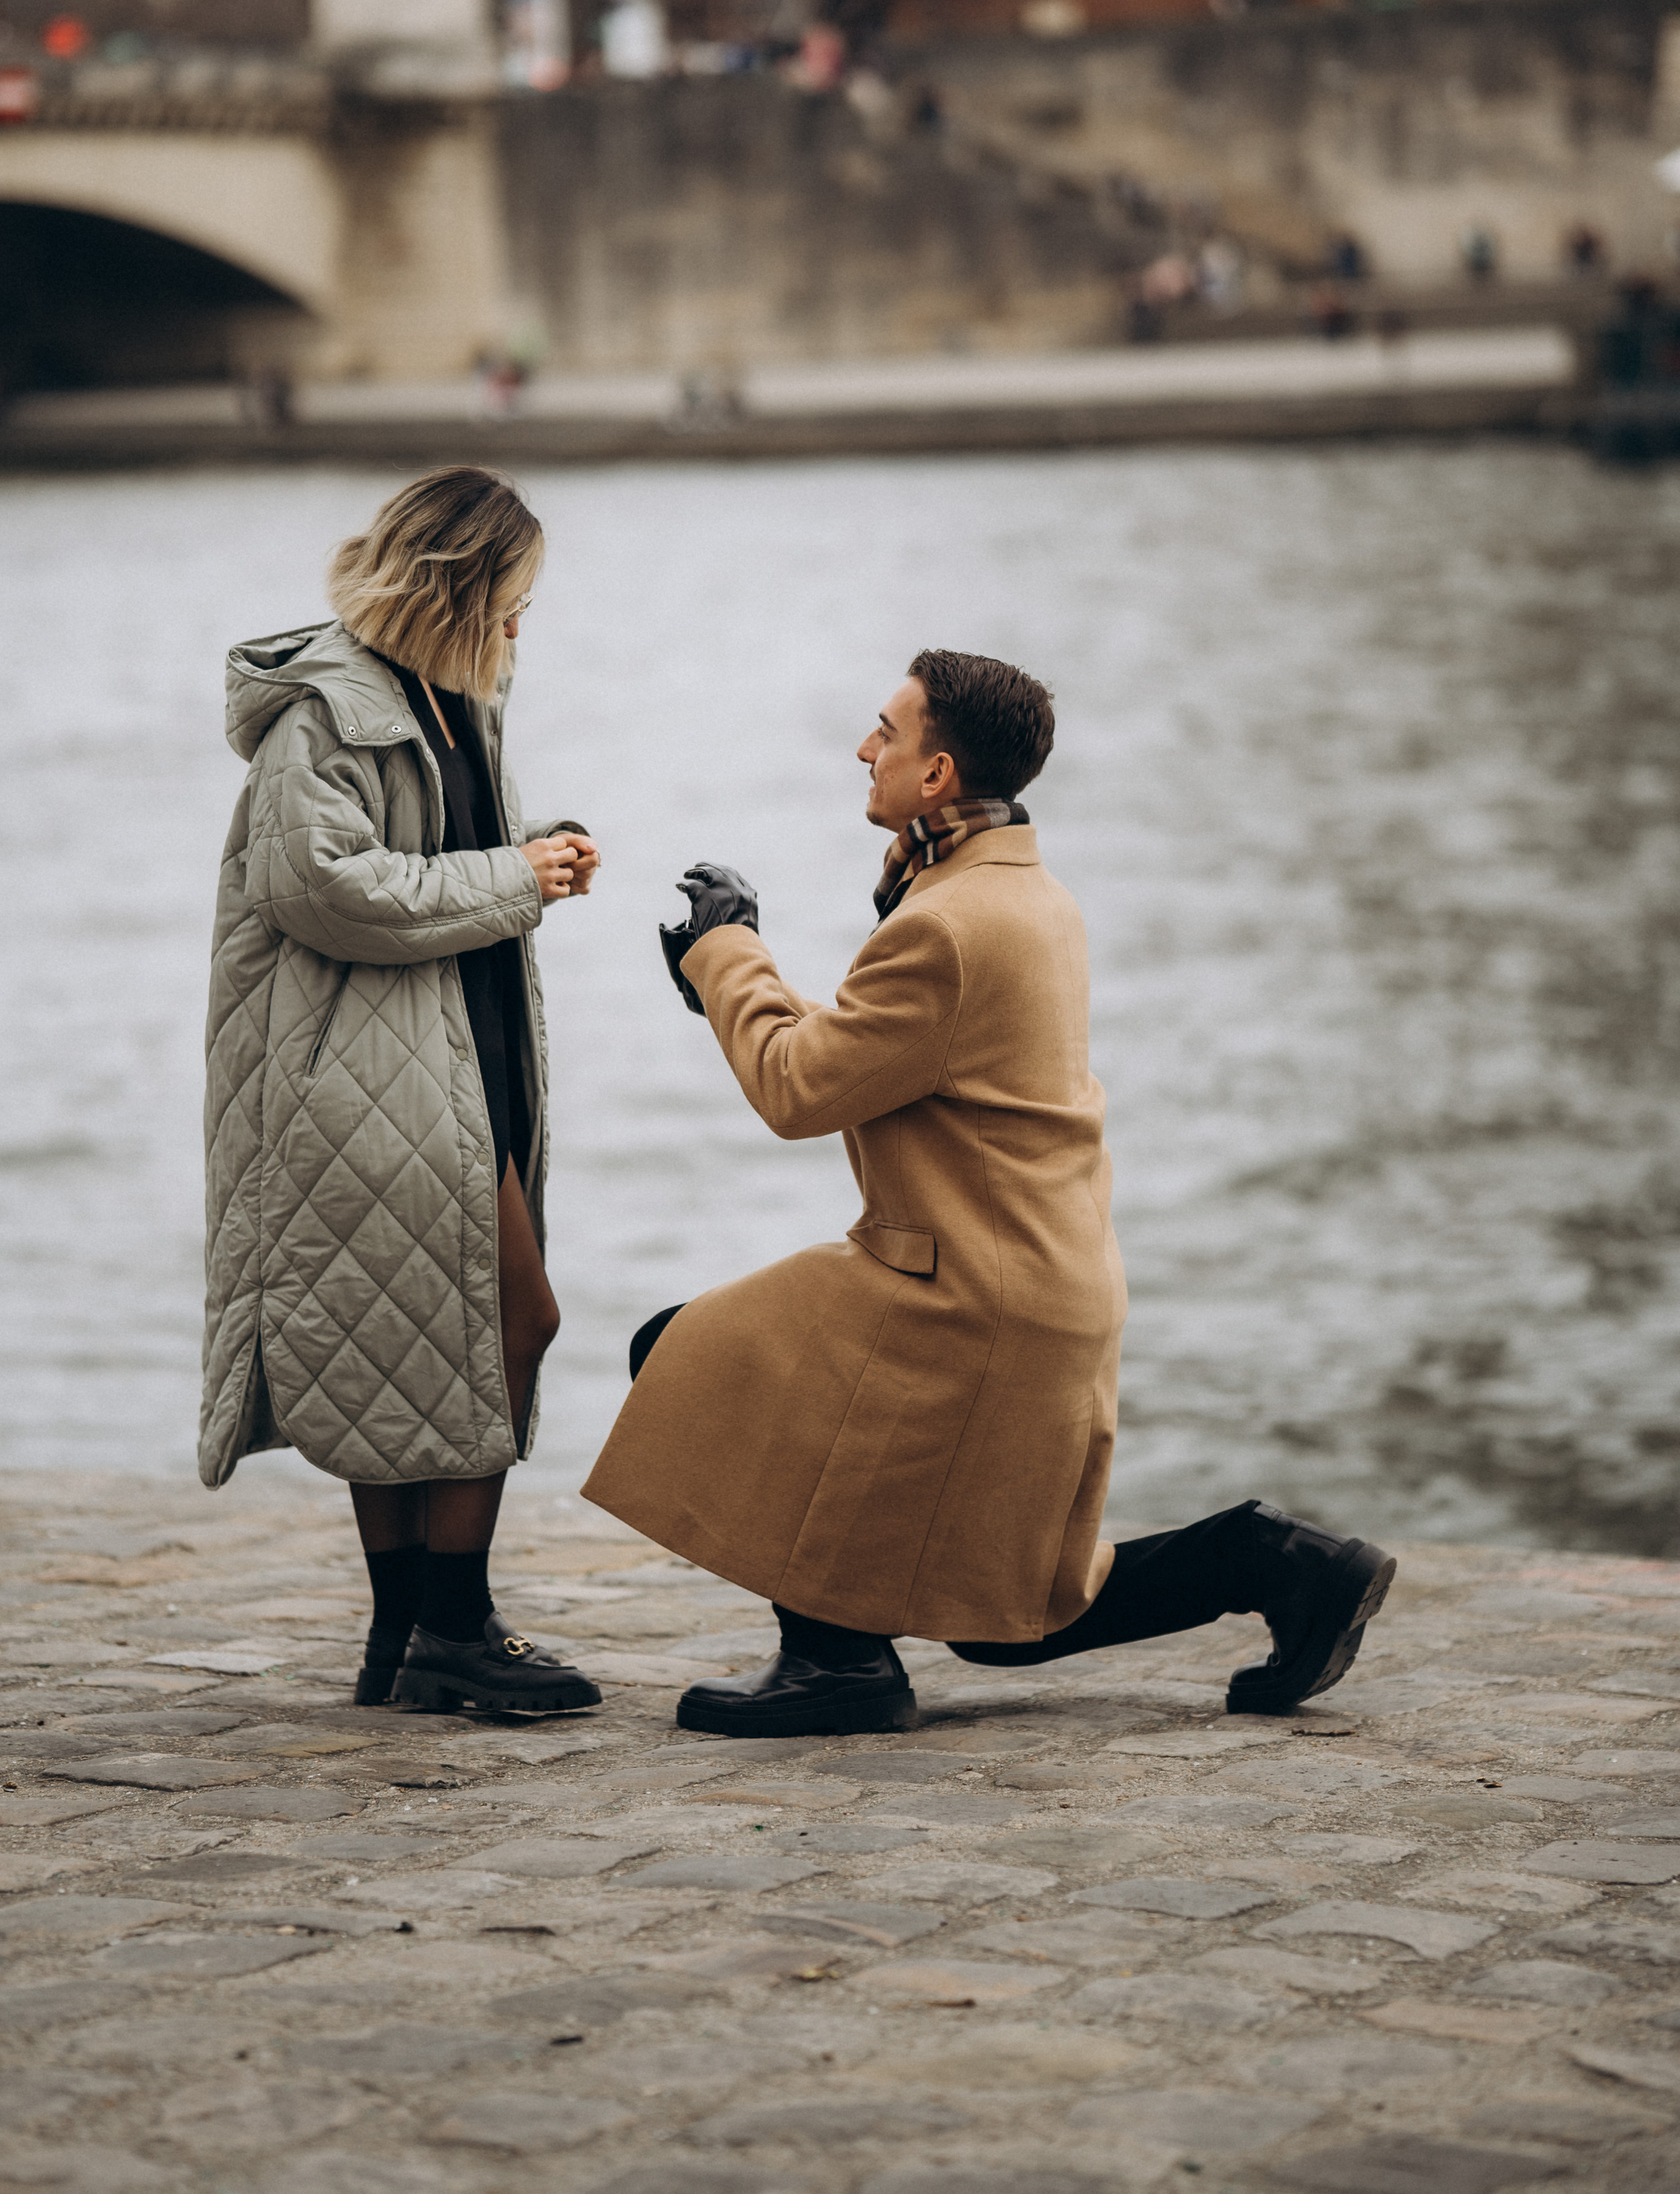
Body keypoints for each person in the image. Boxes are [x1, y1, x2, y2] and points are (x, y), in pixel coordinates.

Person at [582, 649, 1395, 1738]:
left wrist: (727, 950)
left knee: (686, 1351)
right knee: (1002, 1617)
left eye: (886, 730)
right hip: (1038, 1279)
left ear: (937, 776)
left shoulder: (946, 922)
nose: (865, 747)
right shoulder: (1019, 894)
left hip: (960, 1296)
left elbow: (799, 1088)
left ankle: (838, 1664)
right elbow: (879, 1050)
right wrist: (740, 984)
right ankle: (1280, 1561)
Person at [200, 465, 604, 1718]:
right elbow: (328, 892)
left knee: (409, 1345)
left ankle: (402, 1642)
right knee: (507, 1322)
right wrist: (520, 878)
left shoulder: (453, 700)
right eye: (516, 598)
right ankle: (457, 1627)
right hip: (363, 1077)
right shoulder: (326, 716)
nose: (526, 623)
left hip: (453, 1057)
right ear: (459, 587)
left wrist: (533, 864)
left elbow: (439, 864)